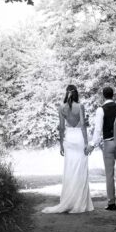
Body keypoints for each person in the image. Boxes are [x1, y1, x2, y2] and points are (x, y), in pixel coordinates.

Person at [42, 85, 94, 213]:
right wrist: (86, 143)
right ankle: (80, 203)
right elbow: (82, 126)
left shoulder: (61, 107)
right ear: (76, 94)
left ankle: (69, 201)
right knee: (81, 171)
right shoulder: (80, 106)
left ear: (66, 93)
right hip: (79, 139)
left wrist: (61, 145)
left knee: (69, 170)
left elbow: (61, 128)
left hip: (69, 139)